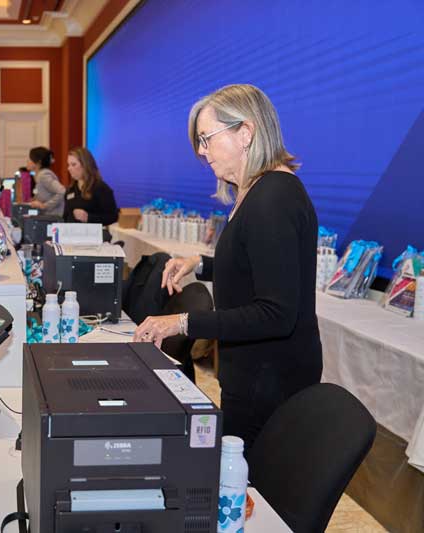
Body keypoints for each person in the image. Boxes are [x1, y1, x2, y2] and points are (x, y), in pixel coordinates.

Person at [133, 84, 322, 450]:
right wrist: (198, 264)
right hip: (254, 375)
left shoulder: (273, 199)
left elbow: (275, 313)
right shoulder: (258, 191)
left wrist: (181, 322)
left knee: (250, 491)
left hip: (268, 382)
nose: (202, 152)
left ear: (245, 133)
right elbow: (253, 265)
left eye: (207, 139)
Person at [64, 147, 119, 225]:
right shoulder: (70, 189)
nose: (69, 168)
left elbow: (112, 217)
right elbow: (65, 217)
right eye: (68, 165)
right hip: (71, 235)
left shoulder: (100, 188)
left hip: (92, 235)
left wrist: (88, 217)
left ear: (85, 165)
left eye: (73, 165)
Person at [26, 146, 65, 217]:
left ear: (38, 162)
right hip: (47, 217)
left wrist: (44, 206)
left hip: (52, 218)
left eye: (30, 159)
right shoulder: (40, 175)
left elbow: (62, 191)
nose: (27, 161)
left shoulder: (44, 175)